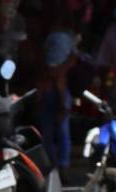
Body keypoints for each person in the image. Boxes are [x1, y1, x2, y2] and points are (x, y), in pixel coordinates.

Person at [39, 20, 78, 173]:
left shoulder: (56, 62)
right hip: (52, 94)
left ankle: (57, 166)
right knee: (59, 133)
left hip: (52, 94)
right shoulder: (63, 57)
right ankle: (60, 166)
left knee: (53, 133)